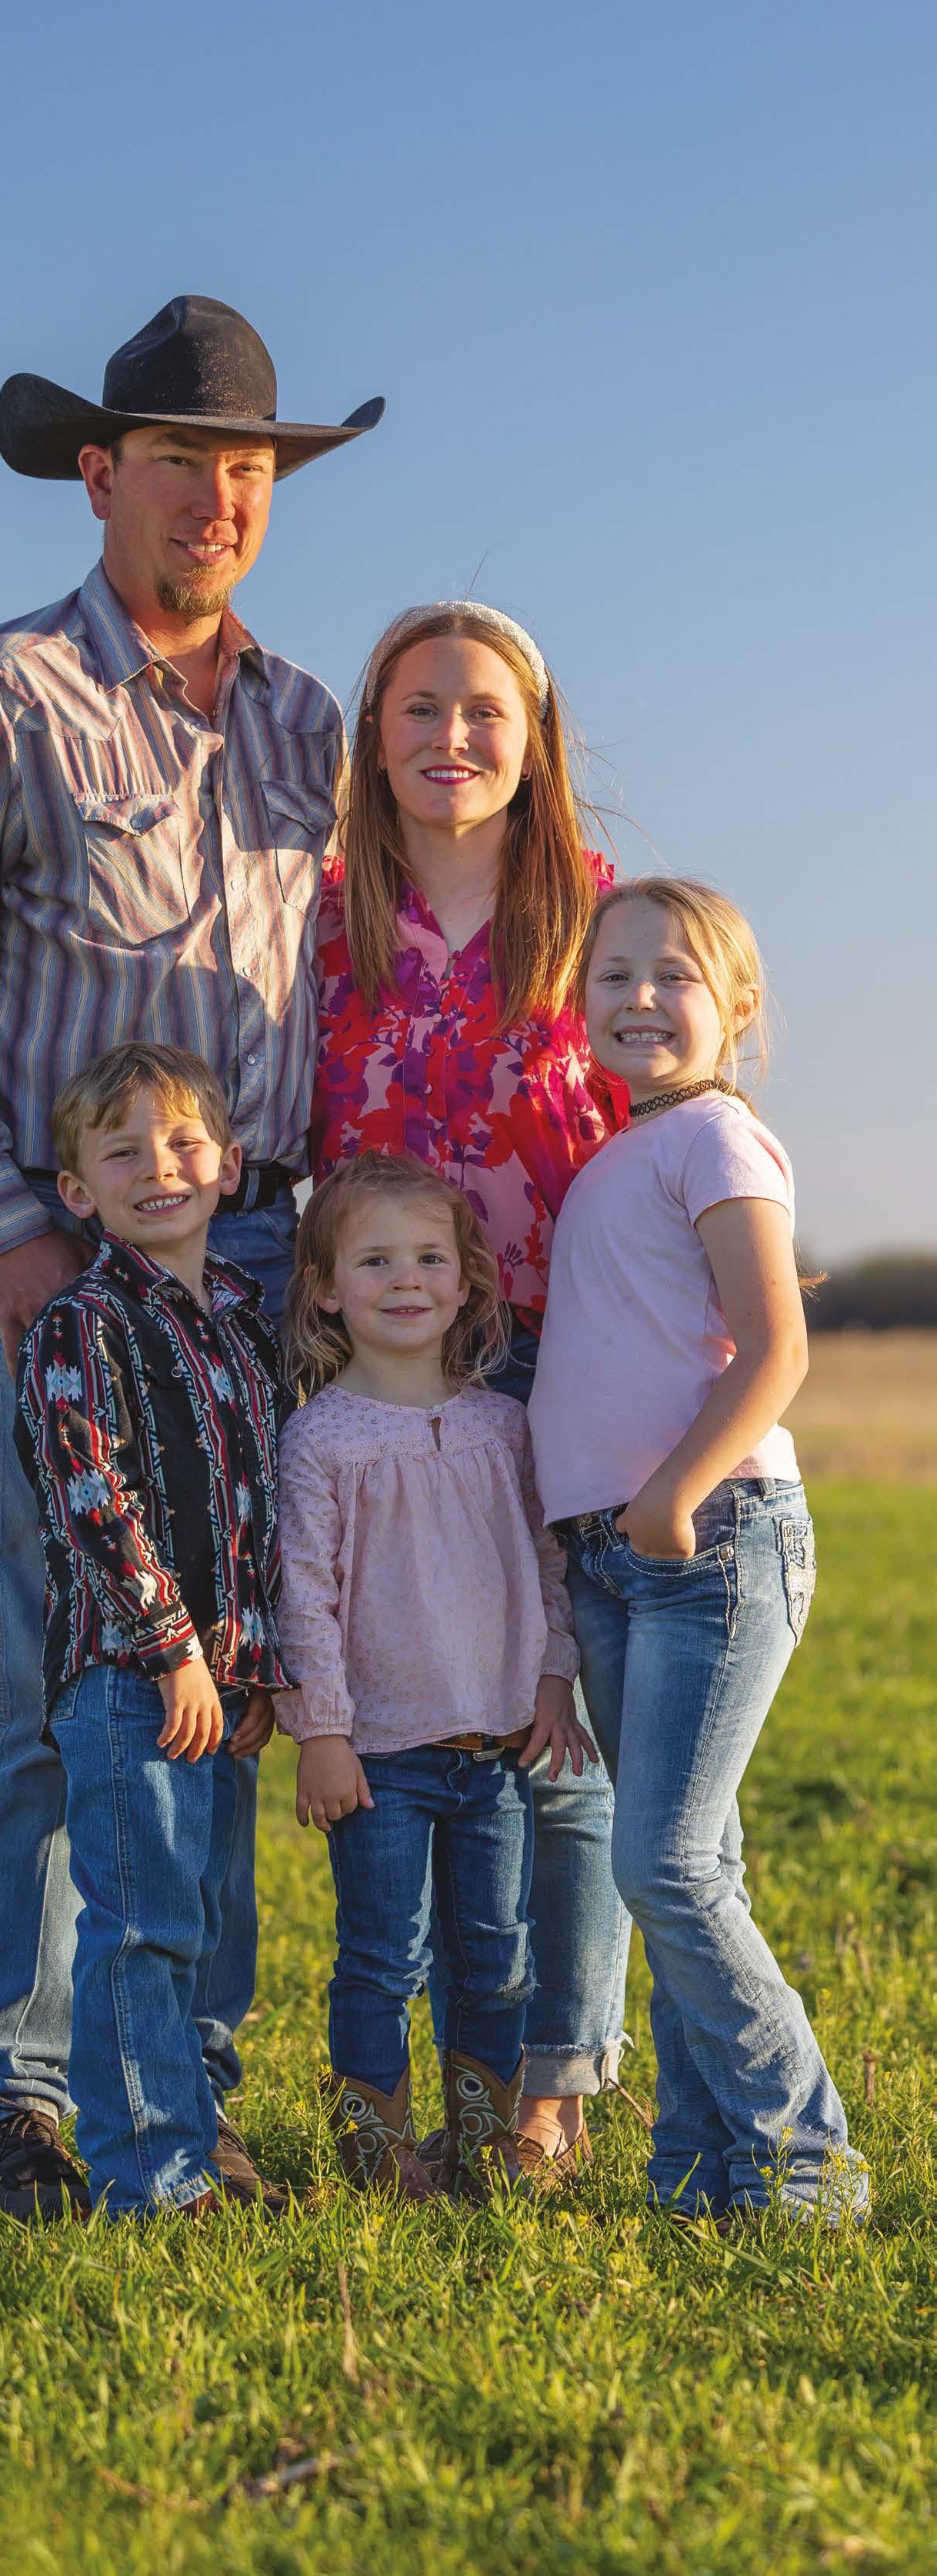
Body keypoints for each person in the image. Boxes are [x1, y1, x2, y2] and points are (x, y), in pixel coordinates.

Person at [0, 292, 384, 2219]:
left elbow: (329, 987)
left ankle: (179, 2092)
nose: (216, 498)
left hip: (254, 1262)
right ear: (98, 475)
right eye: (178, 461)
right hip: (63, 1252)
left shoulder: (307, 720)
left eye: (247, 468)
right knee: (45, 1682)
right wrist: (3, 1238)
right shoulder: (2, 693)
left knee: (215, 1679)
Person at [311, 600, 632, 2183]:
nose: (451, 736)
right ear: (373, 736)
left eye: (484, 709)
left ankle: (547, 2088)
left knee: (561, 1734)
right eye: (419, 707)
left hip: (573, 1360)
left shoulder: (595, 914)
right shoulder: (323, 922)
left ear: (535, 736)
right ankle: (385, 2083)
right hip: (387, 1367)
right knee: (417, 1709)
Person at [529, 877, 869, 2224]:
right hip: (619, 1559)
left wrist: (673, 1494)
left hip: (709, 1541)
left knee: (663, 1866)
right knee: (688, 1869)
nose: (639, 999)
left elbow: (778, 1348)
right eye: (612, 976)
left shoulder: (719, 1139)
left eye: (674, 976)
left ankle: (807, 2160)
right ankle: (698, 2165)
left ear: (736, 1005)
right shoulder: (614, 1158)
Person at [275, 1151, 595, 2200]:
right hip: (378, 1757)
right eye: (374, 1261)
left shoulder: (504, 1426)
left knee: (497, 1956)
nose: (405, 1279)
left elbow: (547, 1565)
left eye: (428, 1259)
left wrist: (552, 1679)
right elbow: (303, 1595)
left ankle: (482, 2149)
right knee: (381, 1957)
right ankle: (378, 2157)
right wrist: (322, 1731)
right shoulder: (321, 1438)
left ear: (465, 1283)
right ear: (327, 1288)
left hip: (495, 1749)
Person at [12, 1042, 288, 2217]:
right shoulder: (82, 1325)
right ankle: (151, 2173)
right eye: (123, 1153)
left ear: (228, 1165)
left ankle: (202, 2130)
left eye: (182, 1144)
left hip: (222, 1682)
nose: (159, 1169)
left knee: (217, 1927)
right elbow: (92, 1494)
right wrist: (174, 1647)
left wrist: (254, 1663)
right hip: (134, 1678)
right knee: (143, 1923)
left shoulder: (246, 1323)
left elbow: (260, 1505)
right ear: (79, 1192)